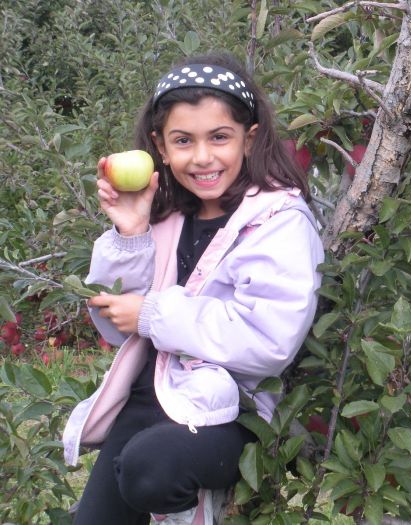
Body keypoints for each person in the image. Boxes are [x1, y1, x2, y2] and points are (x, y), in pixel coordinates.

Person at [62, 52, 324, 525]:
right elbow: (117, 328)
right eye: (183, 141)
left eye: (219, 137)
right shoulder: (167, 216)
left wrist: (150, 314)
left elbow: (268, 341)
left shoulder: (278, 223)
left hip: (234, 415)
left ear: (250, 137)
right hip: (149, 400)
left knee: (151, 471)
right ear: (161, 148)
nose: (202, 157)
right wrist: (130, 233)